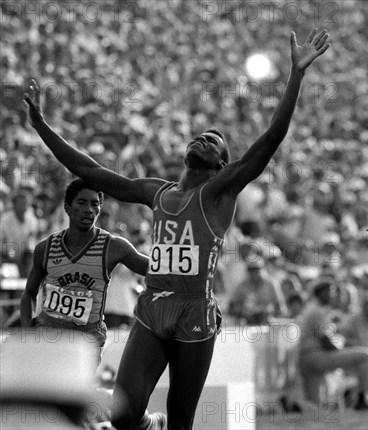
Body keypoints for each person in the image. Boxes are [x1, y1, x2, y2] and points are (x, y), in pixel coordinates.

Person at [24, 29, 330, 430]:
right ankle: (152, 423)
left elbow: (271, 138)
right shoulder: (158, 193)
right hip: (153, 306)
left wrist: (296, 74)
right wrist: (41, 125)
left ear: (221, 166)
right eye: (200, 136)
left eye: (214, 142)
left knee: (184, 420)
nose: (204, 138)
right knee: (123, 416)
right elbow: (88, 170)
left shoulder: (220, 193)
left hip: (195, 311)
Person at [19, 178, 149, 362]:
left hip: (86, 343)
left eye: (95, 204)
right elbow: (28, 294)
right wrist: (28, 331)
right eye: (82, 202)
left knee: (72, 390)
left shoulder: (113, 246)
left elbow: (153, 269)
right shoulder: (46, 248)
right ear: (67, 207)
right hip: (47, 337)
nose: (89, 209)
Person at [297, 279, 368, 411]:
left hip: (307, 359)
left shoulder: (315, 309)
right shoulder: (317, 311)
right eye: (329, 292)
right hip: (315, 357)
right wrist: (342, 352)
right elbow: (325, 341)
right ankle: (365, 399)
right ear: (320, 293)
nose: (333, 295)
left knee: (314, 405)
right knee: (365, 355)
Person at [228, 259, 287, 325]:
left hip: (268, 320)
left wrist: (268, 311)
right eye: (251, 269)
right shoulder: (242, 285)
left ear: (262, 269)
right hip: (246, 321)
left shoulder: (271, 284)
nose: (253, 272)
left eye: (256, 269)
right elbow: (231, 306)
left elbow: (280, 307)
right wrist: (242, 311)